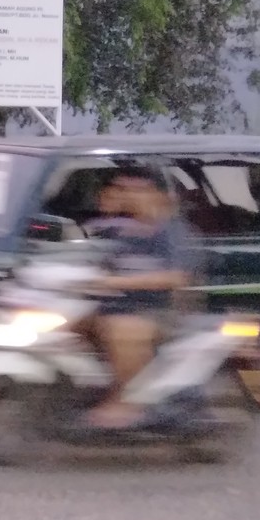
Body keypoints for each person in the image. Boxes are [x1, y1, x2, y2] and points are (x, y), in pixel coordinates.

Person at [83, 164, 202, 428]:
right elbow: (96, 258)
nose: (127, 195)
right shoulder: (122, 230)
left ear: (155, 194)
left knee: (121, 330)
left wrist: (119, 281)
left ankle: (129, 403)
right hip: (120, 305)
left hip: (159, 311)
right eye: (122, 189)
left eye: (135, 190)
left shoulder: (171, 232)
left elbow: (176, 277)